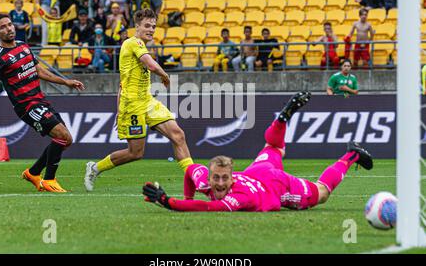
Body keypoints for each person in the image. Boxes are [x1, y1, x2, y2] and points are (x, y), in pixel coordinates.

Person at [142, 91, 373, 212]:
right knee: (273, 147)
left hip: (277, 185)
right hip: (257, 172)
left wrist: (168, 201)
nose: (220, 183)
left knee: (322, 193)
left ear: (232, 179)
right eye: (216, 178)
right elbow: (191, 171)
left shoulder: (237, 198)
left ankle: (352, 154)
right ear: (209, 178)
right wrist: (187, 198)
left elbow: (206, 207)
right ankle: (281, 119)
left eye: (224, 179)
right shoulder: (205, 180)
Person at [84, 9, 194, 192]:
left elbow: (122, 83)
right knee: (135, 153)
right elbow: (150, 64)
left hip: (147, 101)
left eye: (153, 26)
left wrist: (117, 108)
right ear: (137, 27)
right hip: (133, 106)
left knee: (178, 135)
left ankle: (193, 179)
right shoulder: (132, 42)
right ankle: (95, 168)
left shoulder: (138, 46)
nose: (151, 30)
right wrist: (165, 75)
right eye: (147, 26)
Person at [0, 14, 85, 193]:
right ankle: (49, 179)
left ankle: (33, 173)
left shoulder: (23, 46)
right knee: (63, 137)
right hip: (27, 106)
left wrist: (65, 82)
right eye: (3, 27)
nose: (9, 28)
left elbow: (40, 71)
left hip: (40, 100)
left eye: (10, 24)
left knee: (66, 141)